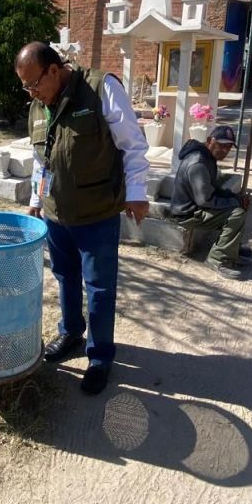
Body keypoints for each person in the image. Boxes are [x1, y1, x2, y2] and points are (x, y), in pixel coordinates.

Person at [15, 42, 149, 395]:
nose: (32, 93)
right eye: (26, 87)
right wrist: (36, 199)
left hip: (97, 213)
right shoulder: (38, 105)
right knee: (65, 277)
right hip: (57, 214)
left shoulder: (101, 88)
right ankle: (72, 332)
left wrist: (137, 192)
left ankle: (100, 356)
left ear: (54, 70)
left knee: (100, 287)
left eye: (34, 84)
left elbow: (132, 144)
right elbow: (41, 159)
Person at [170, 125, 251, 280]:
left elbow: (212, 189)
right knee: (236, 213)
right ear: (209, 141)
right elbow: (205, 200)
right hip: (187, 214)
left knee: (240, 204)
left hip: (197, 207)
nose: (225, 150)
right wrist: (235, 202)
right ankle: (218, 259)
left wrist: (235, 197)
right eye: (221, 145)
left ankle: (231, 250)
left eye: (228, 147)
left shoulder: (208, 157)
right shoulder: (199, 163)